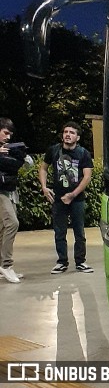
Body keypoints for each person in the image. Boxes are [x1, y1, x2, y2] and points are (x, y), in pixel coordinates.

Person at [39, 121, 94, 274]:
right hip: (58, 198)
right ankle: (62, 261)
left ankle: (81, 261)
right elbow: (43, 168)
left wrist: (73, 194)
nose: (68, 135)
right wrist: (44, 187)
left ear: (78, 137)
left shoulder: (83, 153)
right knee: (59, 231)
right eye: (65, 132)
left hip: (77, 198)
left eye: (72, 132)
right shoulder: (54, 151)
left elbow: (87, 176)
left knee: (79, 231)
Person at [0, 117, 27, 283]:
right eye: (5, 133)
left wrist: (19, 156)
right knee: (12, 223)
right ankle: (6, 265)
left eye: (10, 134)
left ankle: (3, 267)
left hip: (8, 191)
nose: (8, 137)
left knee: (3, 228)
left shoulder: (9, 149)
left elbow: (26, 164)